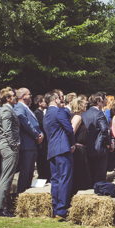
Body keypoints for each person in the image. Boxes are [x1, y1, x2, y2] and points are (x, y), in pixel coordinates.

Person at [43, 91, 75, 220]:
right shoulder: (59, 112)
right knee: (65, 178)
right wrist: (72, 144)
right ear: (55, 100)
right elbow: (69, 129)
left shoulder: (46, 114)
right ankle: (62, 210)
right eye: (60, 98)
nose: (62, 101)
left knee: (55, 180)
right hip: (62, 149)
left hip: (52, 150)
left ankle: (56, 208)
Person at [14, 87, 44, 194]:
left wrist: (41, 134)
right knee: (25, 172)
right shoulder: (19, 108)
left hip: (32, 145)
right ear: (23, 96)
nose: (31, 96)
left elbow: (35, 124)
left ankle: (27, 195)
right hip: (27, 145)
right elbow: (25, 123)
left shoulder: (27, 108)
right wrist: (37, 135)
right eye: (29, 94)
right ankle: (21, 195)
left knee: (30, 173)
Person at [0, 87, 19, 217]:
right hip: (9, 147)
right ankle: (1, 207)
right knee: (7, 177)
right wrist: (14, 145)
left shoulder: (8, 109)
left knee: (7, 177)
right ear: (8, 98)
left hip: (9, 146)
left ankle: (2, 205)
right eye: (13, 96)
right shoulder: (6, 110)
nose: (15, 97)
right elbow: (7, 130)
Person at [81, 92, 110, 186]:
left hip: (87, 146)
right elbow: (104, 129)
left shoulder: (83, 114)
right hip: (99, 147)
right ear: (98, 102)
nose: (102, 104)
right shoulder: (99, 114)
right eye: (102, 101)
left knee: (90, 171)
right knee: (100, 172)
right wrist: (106, 142)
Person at [70, 98, 92, 193]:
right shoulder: (77, 117)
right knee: (79, 175)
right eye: (83, 103)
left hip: (79, 149)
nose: (86, 104)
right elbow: (72, 131)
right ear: (79, 106)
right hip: (78, 149)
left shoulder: (77, 117)